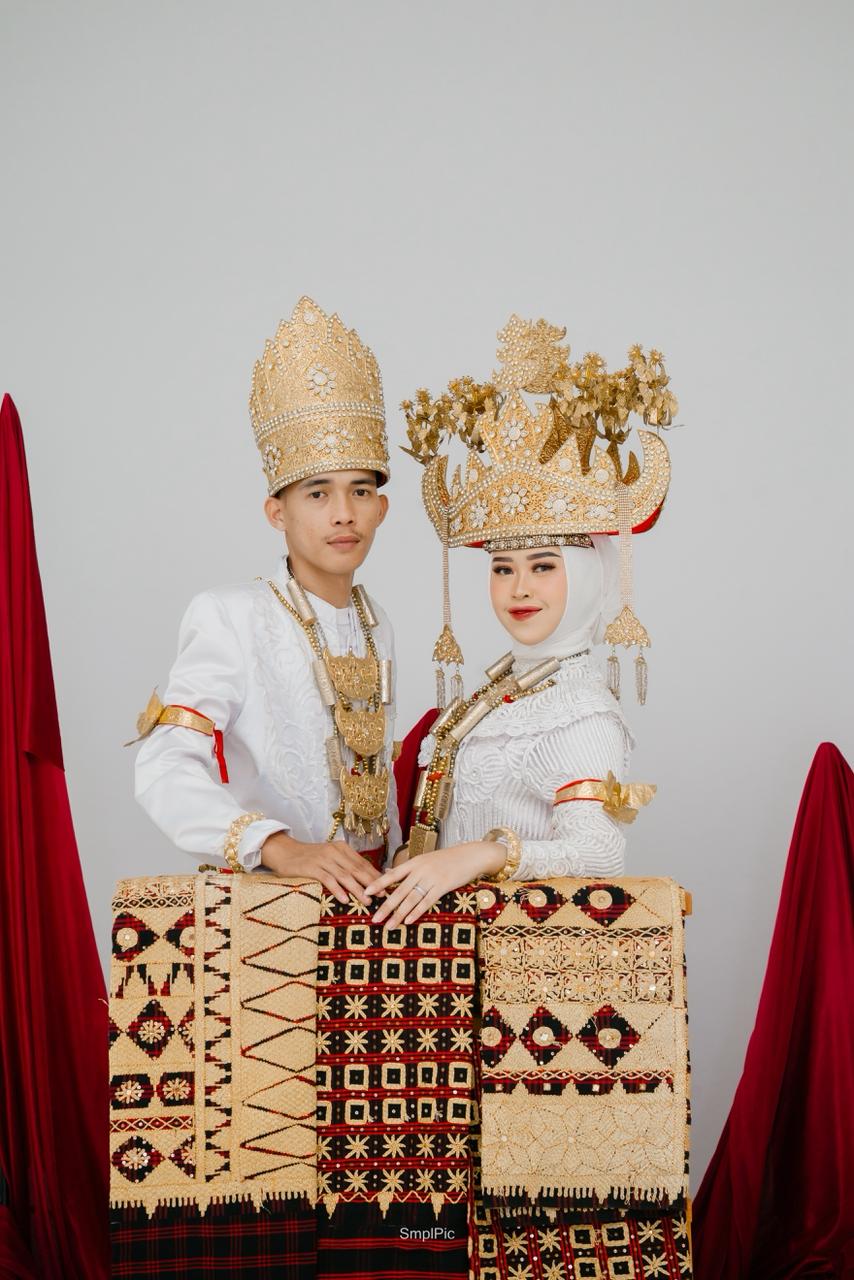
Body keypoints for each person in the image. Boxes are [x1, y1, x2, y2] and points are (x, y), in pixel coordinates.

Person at [367, 313, 673, 925]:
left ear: (588, 576)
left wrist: (481, 856)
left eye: (543, 567)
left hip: (518, 957)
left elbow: (601, 852)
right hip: (448, 948)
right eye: (502, 568)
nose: (519, 588)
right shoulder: (499, 691)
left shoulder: (581, 712)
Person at [133, 296, 400, 903]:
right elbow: (164, 766)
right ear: (276, 512)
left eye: (360, 491)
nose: (343, 514)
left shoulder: (375, 622)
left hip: (373, 903)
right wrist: (276, 845)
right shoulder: (230, 615)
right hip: (271, 905)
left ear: (381, 508)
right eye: (317, 494)